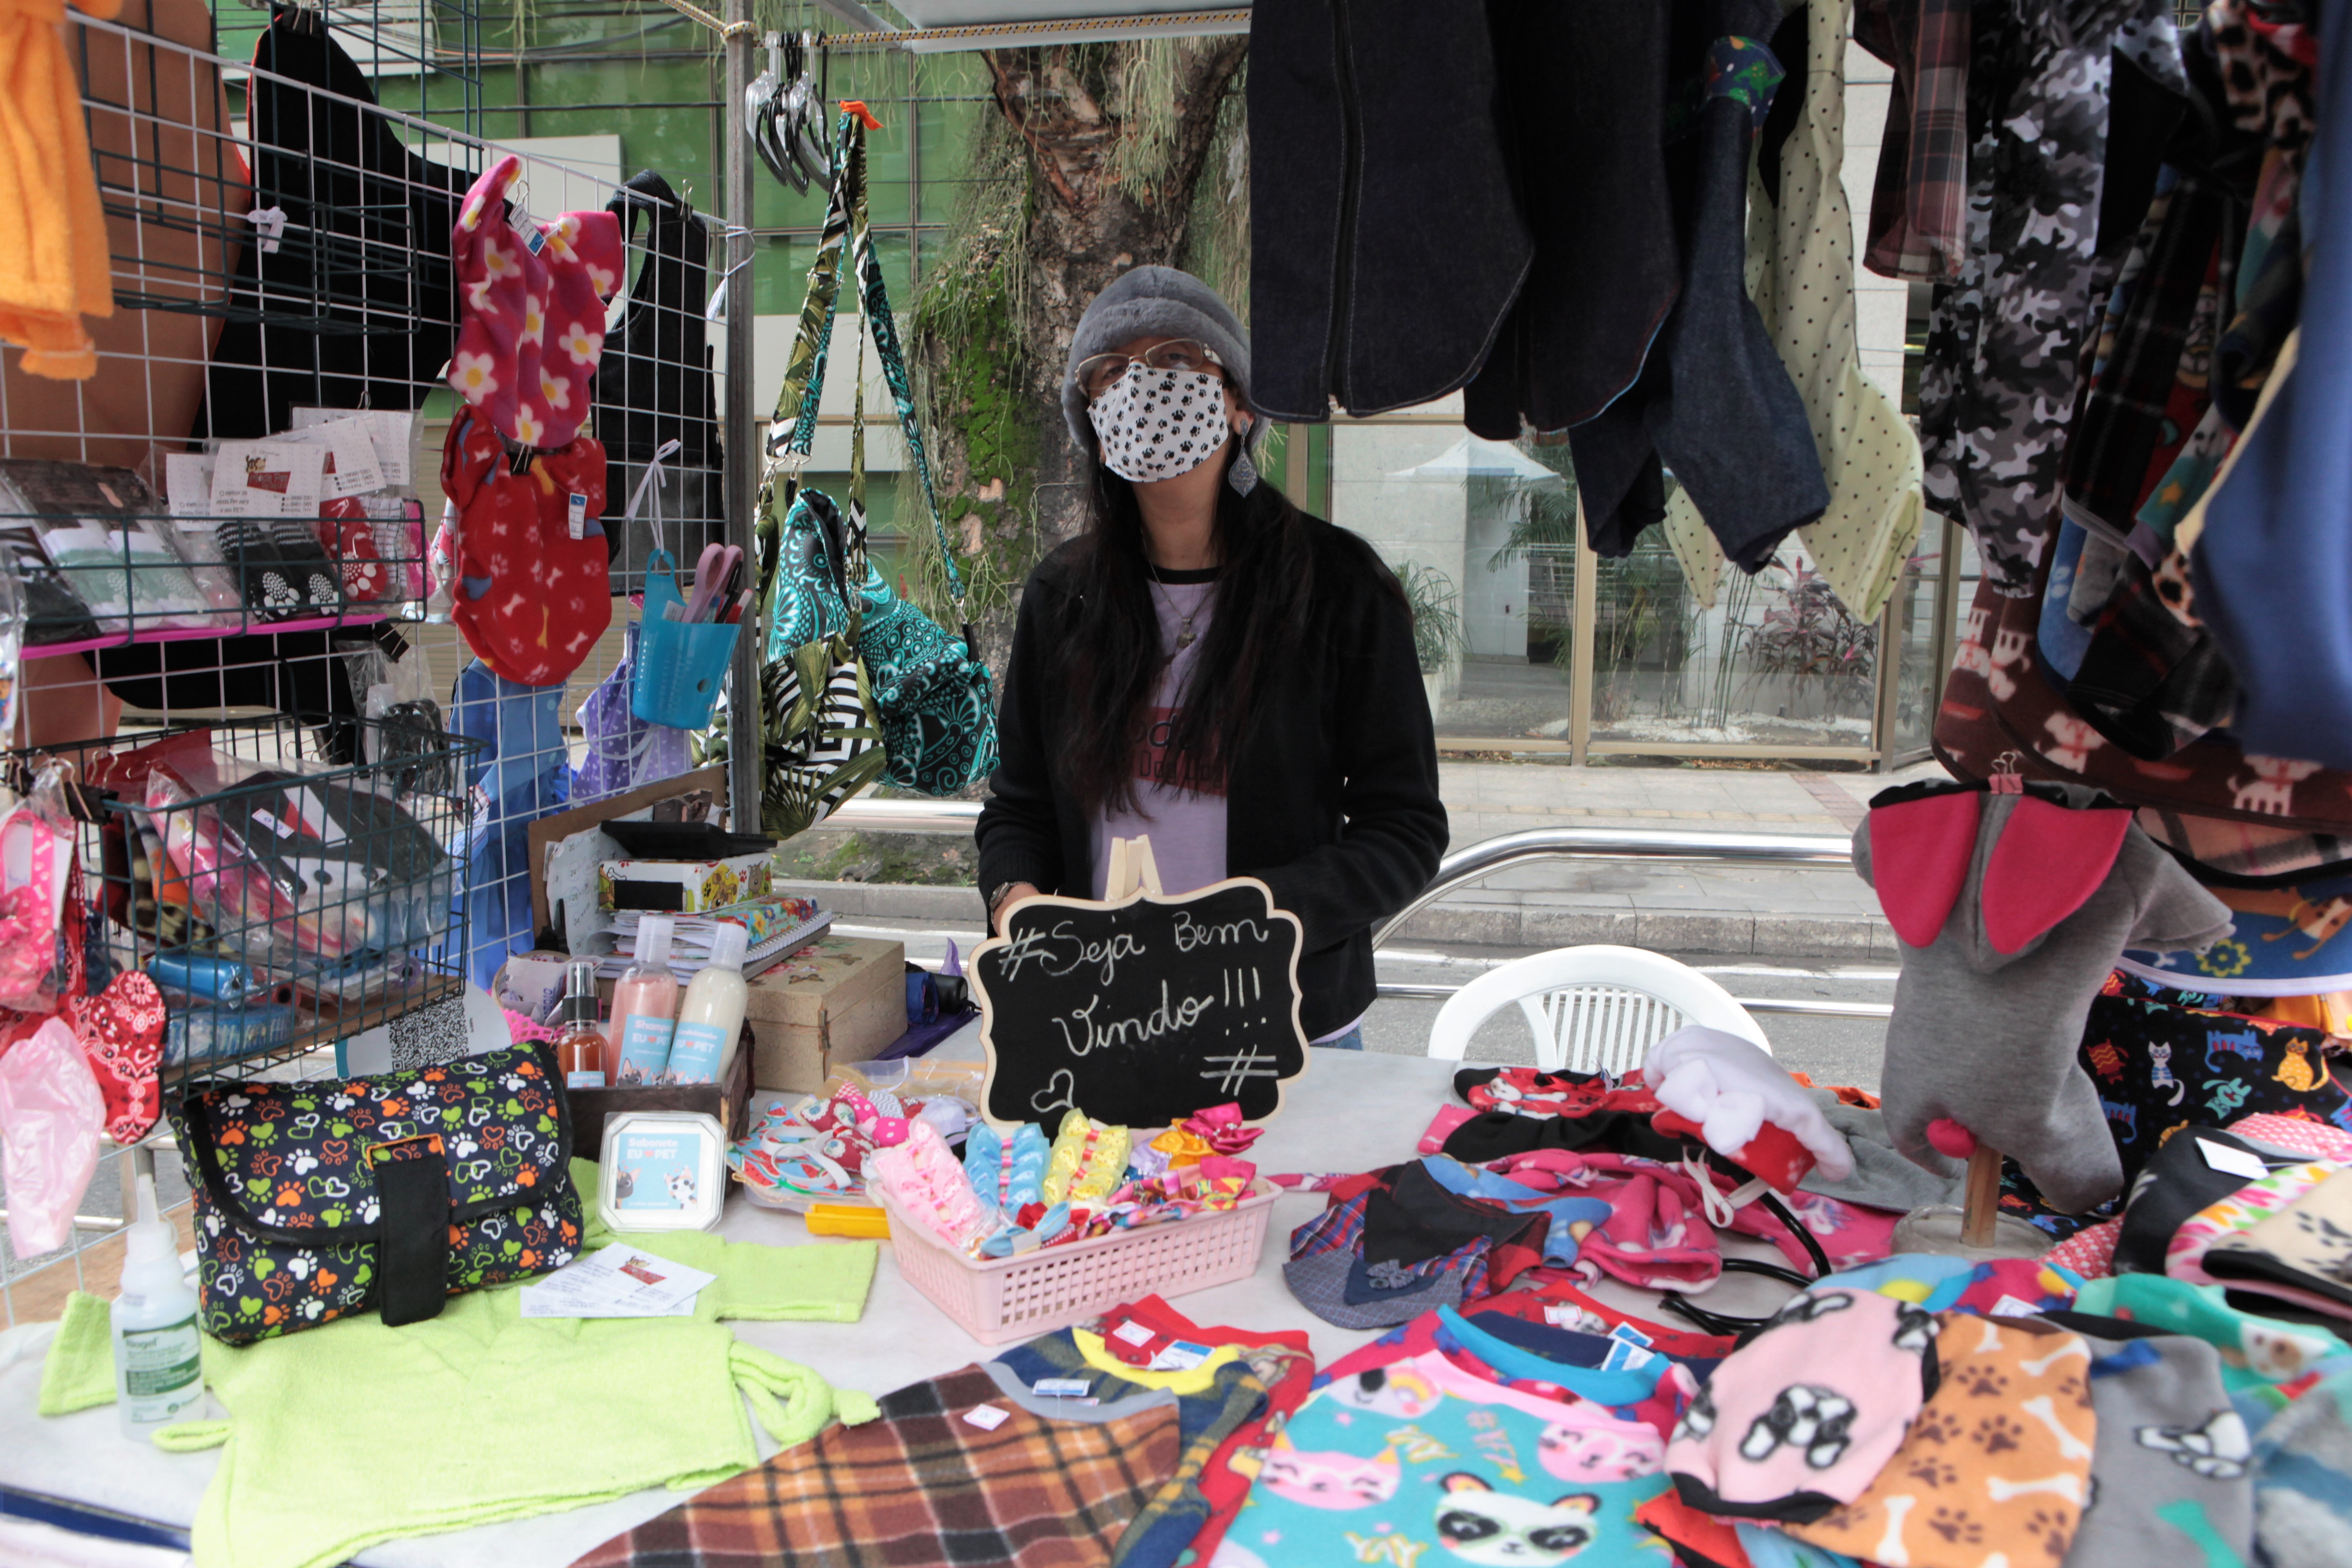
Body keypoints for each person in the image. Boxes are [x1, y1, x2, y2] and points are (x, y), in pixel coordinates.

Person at [975, 266, 1448, 1049]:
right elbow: (1020, 806)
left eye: (1177, 360)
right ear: (1090, 418)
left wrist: (1254, 915)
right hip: (1105, 1019)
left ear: (1239, 402)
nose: (1143, 386)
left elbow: (1404, 831)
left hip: (1293, 1026)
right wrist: (1014, 899)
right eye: (1113, 372)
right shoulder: (1063, 597)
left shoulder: (1338, 589)